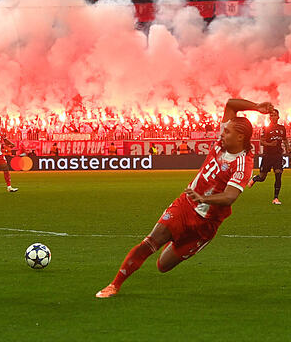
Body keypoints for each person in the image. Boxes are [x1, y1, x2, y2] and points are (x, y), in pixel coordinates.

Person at [95, 98, 272, 298]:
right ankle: (114, 285)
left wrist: (204, 199)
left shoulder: (243, 164)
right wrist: (257, 108)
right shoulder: (223, 144)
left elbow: (230, 196)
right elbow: (231, 104)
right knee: (151, 242)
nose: (222, 133)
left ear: (240, 138)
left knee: (163, 265)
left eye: (227, 132)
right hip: (185, 205)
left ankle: (178, 240)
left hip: (205, 223)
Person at [247, 109, 289, 204]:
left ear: (278, 117)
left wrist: (288, 147)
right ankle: (255, 179)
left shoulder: (282, 128)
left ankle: (275, 198)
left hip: (278, 155)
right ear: (270, 118)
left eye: (275, 115)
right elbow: (261, 142)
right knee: (262, 178)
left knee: (278, 174)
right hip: (268, 155)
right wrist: (270, 144)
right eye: (272, 115)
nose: (273, 117)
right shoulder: (266, 128)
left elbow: (285, 139)